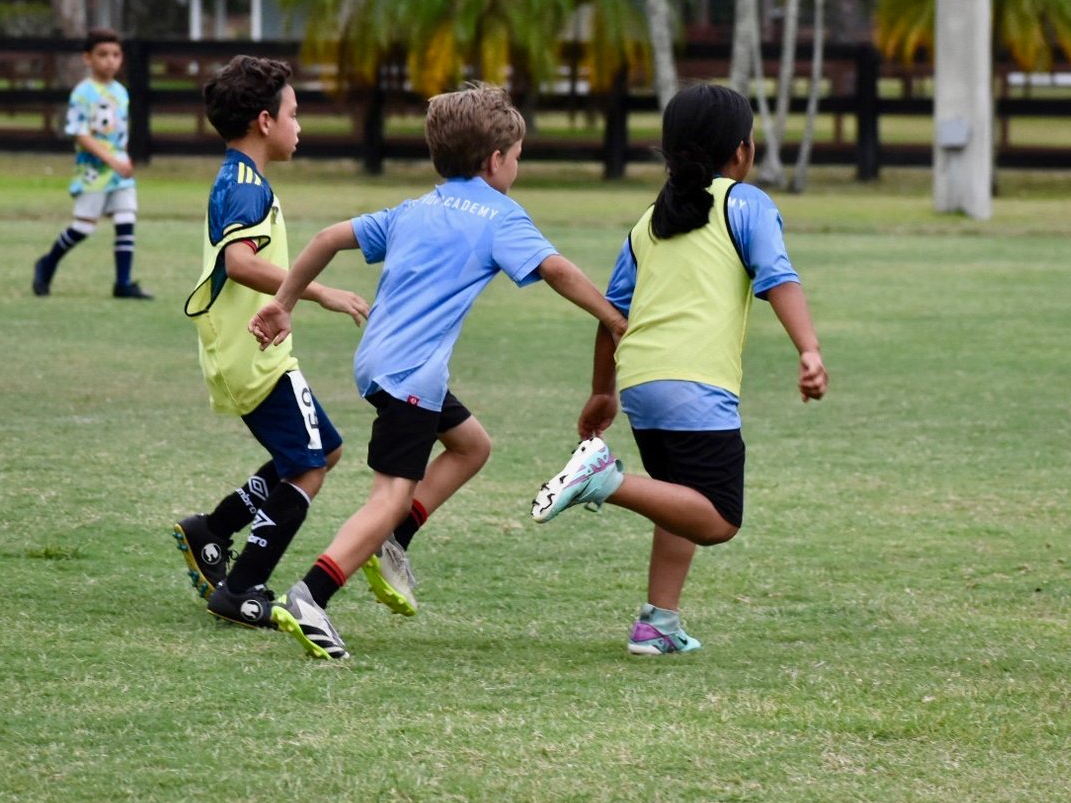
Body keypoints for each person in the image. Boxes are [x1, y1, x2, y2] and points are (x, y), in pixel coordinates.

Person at [248, 83, 628, 660]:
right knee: (390, 495)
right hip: (412, 378)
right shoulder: (501, 216)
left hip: (378, 362)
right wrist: (612, 316)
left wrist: (285, 301)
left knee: (472, 446)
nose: (517, 169)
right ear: (495, 160)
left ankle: (393, 543)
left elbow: (326, 239)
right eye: (517, 159)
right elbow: (556, 270)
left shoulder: (415, 208)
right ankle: (311, 595)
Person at [531, 83, 828, 656]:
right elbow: (778, 276)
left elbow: (611, 314)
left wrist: (603, 393)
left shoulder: (648, 222)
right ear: (742, 151)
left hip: (643, 380)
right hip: (695, 383)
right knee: (718, 519)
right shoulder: (745, 203)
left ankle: (657, 623)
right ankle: (603, 481)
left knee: (679, 497)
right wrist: (809, 350)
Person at [171, 55, 375, 630]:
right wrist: (318, 291)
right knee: (308, 467)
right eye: (293, 112)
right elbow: (239, 263)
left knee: (323, 452)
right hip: (252, 351)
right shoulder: (243, 185)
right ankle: (242, 587)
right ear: (265, 121)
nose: (299, 124)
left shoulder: (244, 179)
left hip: (248, 350)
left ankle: (213, 529)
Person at [32, 27, 152, 299]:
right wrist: (110, 159)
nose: (110, 60)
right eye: (103, 54)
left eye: (116, 54)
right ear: (88, 58)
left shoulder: (121, 92)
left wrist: (124, 156)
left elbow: (119, 133)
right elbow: (80, 133)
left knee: (126, 219)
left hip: (120, 170)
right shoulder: (83, 93)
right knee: (83, 226)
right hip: (94, 172)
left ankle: (123, 283)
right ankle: (47, 263)